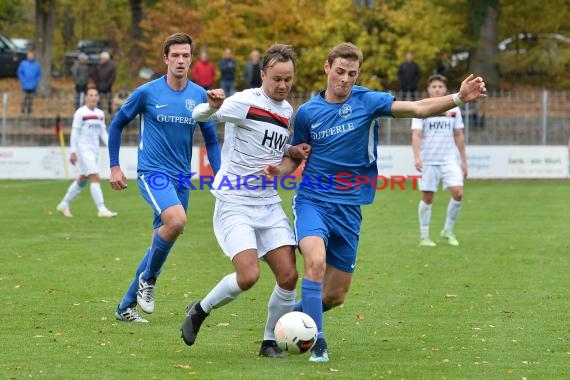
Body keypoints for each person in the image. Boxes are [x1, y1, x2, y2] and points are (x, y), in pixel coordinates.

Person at [282, 43, 486, 362]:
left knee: (335, 296)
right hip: (313, 200)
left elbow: (417, 108)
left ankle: (293, 317)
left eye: (352, 74)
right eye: (339, 72)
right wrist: (275, 169)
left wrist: (458, 97)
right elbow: (296, 155)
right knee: (316, 262)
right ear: (326, 68)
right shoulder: (307, 112)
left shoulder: (368, 101)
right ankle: (317, 342)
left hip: (349, 208)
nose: (345, 79)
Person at [180, 44, 310, 358]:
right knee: (249, 276)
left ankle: (269, 342)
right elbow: (198, 115)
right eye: (277, 78)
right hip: (235, 201)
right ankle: (200, 309)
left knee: (289, 276)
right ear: (263, 74)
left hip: (267, 203)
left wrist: (289, 156)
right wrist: (211, 106)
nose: (282, 85)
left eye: (288, 79)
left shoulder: (287, 111)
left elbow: (275, 152)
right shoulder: (244, 102)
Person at [108, 32, 221, 323]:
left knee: (162, 239)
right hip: (153, 172)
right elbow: (117, 125)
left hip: (182, 178)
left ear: (191, 59)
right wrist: (114, 166)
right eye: (175, 56)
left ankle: (125, 306)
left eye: (186, 55)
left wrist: (219, 175)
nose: (181, 60)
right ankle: (150, 281)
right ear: (166, 59)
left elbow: (211, 139)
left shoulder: (199, 96)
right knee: (177, 221)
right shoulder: (147, 92)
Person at [412, 74, 467, 247]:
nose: (437, 89)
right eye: (434, 86)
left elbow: (458, 134)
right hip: (429, 160)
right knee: (428, 197)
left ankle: (448, 230)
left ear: (445, 89)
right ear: (429, 90)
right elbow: (416, 134)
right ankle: (424, 236)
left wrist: (464, 161)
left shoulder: (454, 109)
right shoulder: (422, 108)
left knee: (458, 193)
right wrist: (417, 156)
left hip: (449, 159)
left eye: (440, 86)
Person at [56, 87, 117, 218]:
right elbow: (75, 132)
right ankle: (102, 209)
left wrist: (111, 145)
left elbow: (102, 133)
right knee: (95, 177)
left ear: (98, 98)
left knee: (83, 179)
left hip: (94, 151)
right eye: (91, 95)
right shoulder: (80, 113)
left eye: (96, 95)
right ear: (86, 98)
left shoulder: (100, 113)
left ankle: (64, 204)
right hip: (83, 150)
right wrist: (72, 151)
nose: (93, 97)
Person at [17, 50, 42, 115]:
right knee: (24, 98)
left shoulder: (37, 65)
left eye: (31, 56)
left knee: (31, 99)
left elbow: (39, 75)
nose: (30, 57)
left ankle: (29, 111)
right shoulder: (23, 63)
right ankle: (22, 111)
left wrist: (36, 81)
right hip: (25, 84)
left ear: (34, 56)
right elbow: (20, 72)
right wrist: (23, 80)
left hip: (33, 85)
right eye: (29, 55)